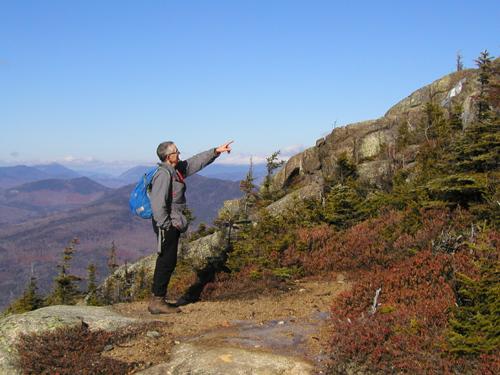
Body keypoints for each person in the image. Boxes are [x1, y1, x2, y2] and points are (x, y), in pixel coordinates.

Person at [148, 140, 233, 314]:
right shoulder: (164, 174)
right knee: (166, 261)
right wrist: (166, 225)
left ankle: (158, 299)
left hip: (172, 222)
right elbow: (158, 205)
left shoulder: (175, 170)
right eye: (176, 152)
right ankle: (157, 301)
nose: (179, 154)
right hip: (167, 224)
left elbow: (195, 162)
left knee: (168, 260)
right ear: (168, 156)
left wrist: (215, 151)